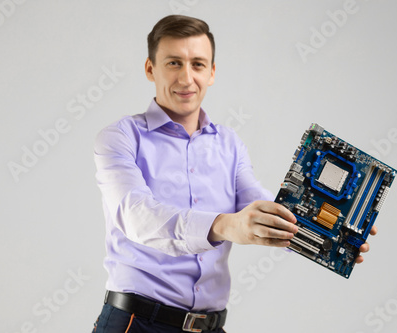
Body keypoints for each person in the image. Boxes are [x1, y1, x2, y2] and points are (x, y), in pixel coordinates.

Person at [91, 15, 376, 333]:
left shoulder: (229, 143)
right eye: (174, 63)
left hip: (210, 326)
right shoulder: (120, 137)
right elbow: (136, 215)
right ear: (150, 69)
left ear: (212, 72)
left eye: (198, 64)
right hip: (137, 324)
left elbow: (258, 204)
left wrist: (333, 228)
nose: (187, 79)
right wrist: (225, 225)